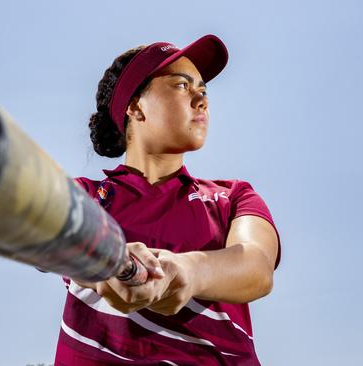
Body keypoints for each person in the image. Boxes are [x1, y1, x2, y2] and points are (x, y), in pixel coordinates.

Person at [54, 35, 281, 366]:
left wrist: (185, 270)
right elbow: (50, 238)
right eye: (182, 86)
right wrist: (110, 261)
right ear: (135, 106)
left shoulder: (233, 196)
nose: (201, 99)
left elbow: (257, 267)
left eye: (203, 90)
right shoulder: (83, 196)